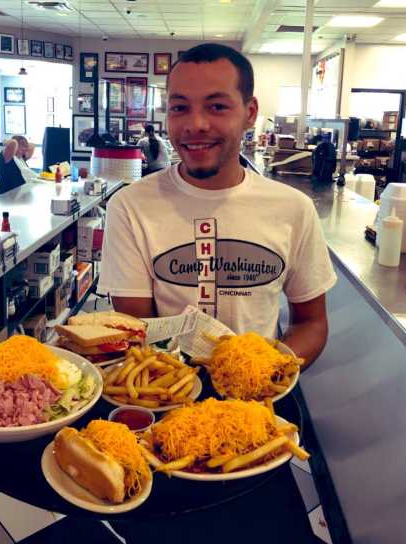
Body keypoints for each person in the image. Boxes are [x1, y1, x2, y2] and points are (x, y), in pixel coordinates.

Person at [98, 43, 337, 543]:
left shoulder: (291, 209)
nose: (195, 124)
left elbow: (312, 323)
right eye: (180, 107)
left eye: (217, 105)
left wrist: (271, 372)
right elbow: (133, 329)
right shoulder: (130, 206)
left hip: (257, 420)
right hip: (166, 420)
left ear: (249, 113)